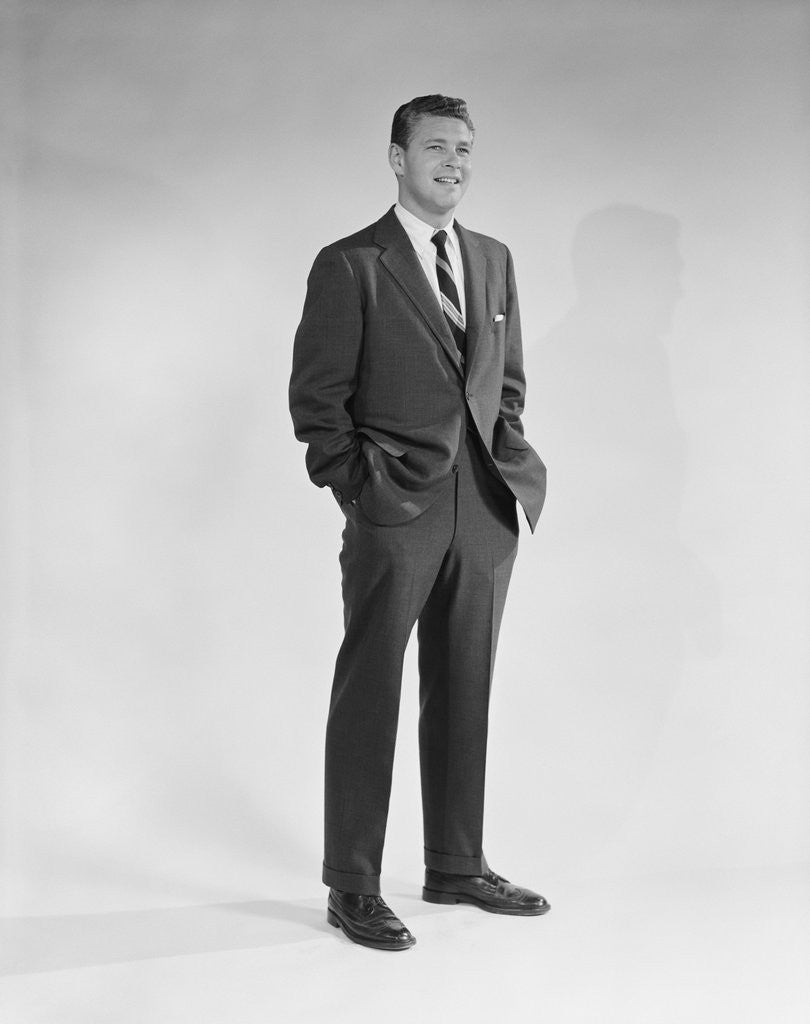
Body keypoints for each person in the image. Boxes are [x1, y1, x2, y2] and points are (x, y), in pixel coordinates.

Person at [289, 94, 549, 950]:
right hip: (392, 507)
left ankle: (456, 865)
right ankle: (352, 885)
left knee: (465, 680)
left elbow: (504, 383)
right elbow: (318, 405)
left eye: (466, 149)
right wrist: (364, 491)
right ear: (397, 158)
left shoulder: (493, 258)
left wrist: (505, 463)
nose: (454, 162)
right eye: (436, 147)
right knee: (372, 685)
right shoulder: (351, 263)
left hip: (482, 507)